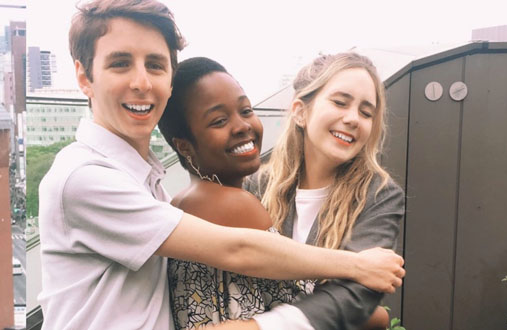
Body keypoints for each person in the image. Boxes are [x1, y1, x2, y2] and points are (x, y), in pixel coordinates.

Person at [37, 1, 405, 329]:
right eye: (120, 64)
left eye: (155, 65)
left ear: (168, 79)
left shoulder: (154, 186)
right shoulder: (84, 178)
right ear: (85, 77)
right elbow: (241, 251)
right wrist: (359, 272)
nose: (141, 82)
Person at [157, 56, 391, 330]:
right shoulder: (233, 205)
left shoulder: (183, 202)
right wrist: (379, 314)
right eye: (219, 120)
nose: (243, 126)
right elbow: (321, 311)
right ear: (184, 146)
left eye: (245, 110)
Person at [242, 52, 406, 330]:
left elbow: (352, 296)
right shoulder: (256, 186)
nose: (353, 118)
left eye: (366, 112)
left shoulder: (379, 195)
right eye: (340, 102)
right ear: (300, 111)